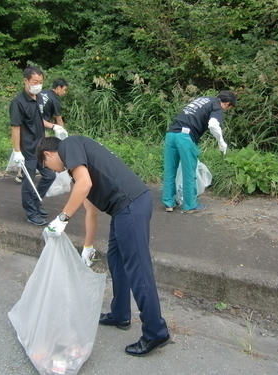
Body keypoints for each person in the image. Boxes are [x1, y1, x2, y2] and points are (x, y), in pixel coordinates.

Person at [36, 135, 170, 357]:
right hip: (123, 210)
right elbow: (90, 211)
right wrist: (88, 247)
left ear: (47, 154)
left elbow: (85, 184)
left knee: (138, 270)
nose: (51, 170)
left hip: (131, 204)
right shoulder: (76, 170)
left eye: (46, 165)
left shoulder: (68, 145)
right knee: (117, 261)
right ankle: (120, 314)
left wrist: (61, 219)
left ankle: (156, 332)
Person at [162, 90, 236, 213]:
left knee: (170, 170)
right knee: (189, 172)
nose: (225, 111)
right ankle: (189, 205)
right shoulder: (217, 106)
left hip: (171, 135)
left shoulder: (203, 99)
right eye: (228, 108)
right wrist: (221, 141)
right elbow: (213, 125)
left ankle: (168, 203)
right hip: (185, 138)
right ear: (227, 103)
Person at [10, 66, 63, 226]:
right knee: (28, 182)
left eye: (40, 82)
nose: (38, 85)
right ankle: (31, 212)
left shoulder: (38, 98)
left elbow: (39, 120)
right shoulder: (18, 103)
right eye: (35, 82)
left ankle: (35, 202)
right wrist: (17, 152)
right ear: (26, 81)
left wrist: (53, 126)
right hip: (27, 150)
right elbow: (15, 128)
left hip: (40, 147)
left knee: (50, 175)